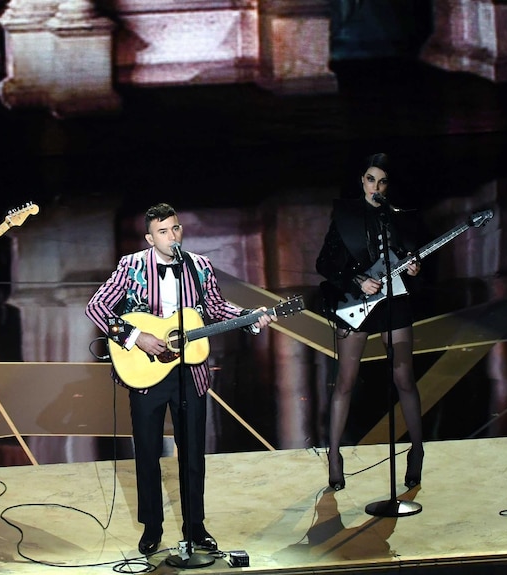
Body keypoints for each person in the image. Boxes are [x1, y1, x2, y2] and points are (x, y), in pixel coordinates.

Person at [85, 202, 274, 555]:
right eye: (162, 232)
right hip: (146, 372)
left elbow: (217, 309)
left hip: (191, 373)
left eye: (175, 229)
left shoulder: (198, 265)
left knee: (192, 455)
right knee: (147, 453)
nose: (171, 237)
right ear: (149, 237)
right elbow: (97, 307)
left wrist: (250, 316)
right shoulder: (131, 266)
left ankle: (196, 527)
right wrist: (135, 336)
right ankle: (152, 527)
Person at [315, 153, 424, 491]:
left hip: (395, 301)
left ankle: (417, 450)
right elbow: (324, 264)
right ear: (361, 181)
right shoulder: (345, 215)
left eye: (382, 181)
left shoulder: (396, 217)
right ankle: (334, 456)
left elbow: (408, 253)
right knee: (345, 381)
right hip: (356, 303)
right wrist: (357, 281)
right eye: (370, 179)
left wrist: (413, 264)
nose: (376, 186)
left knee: (404, 376)